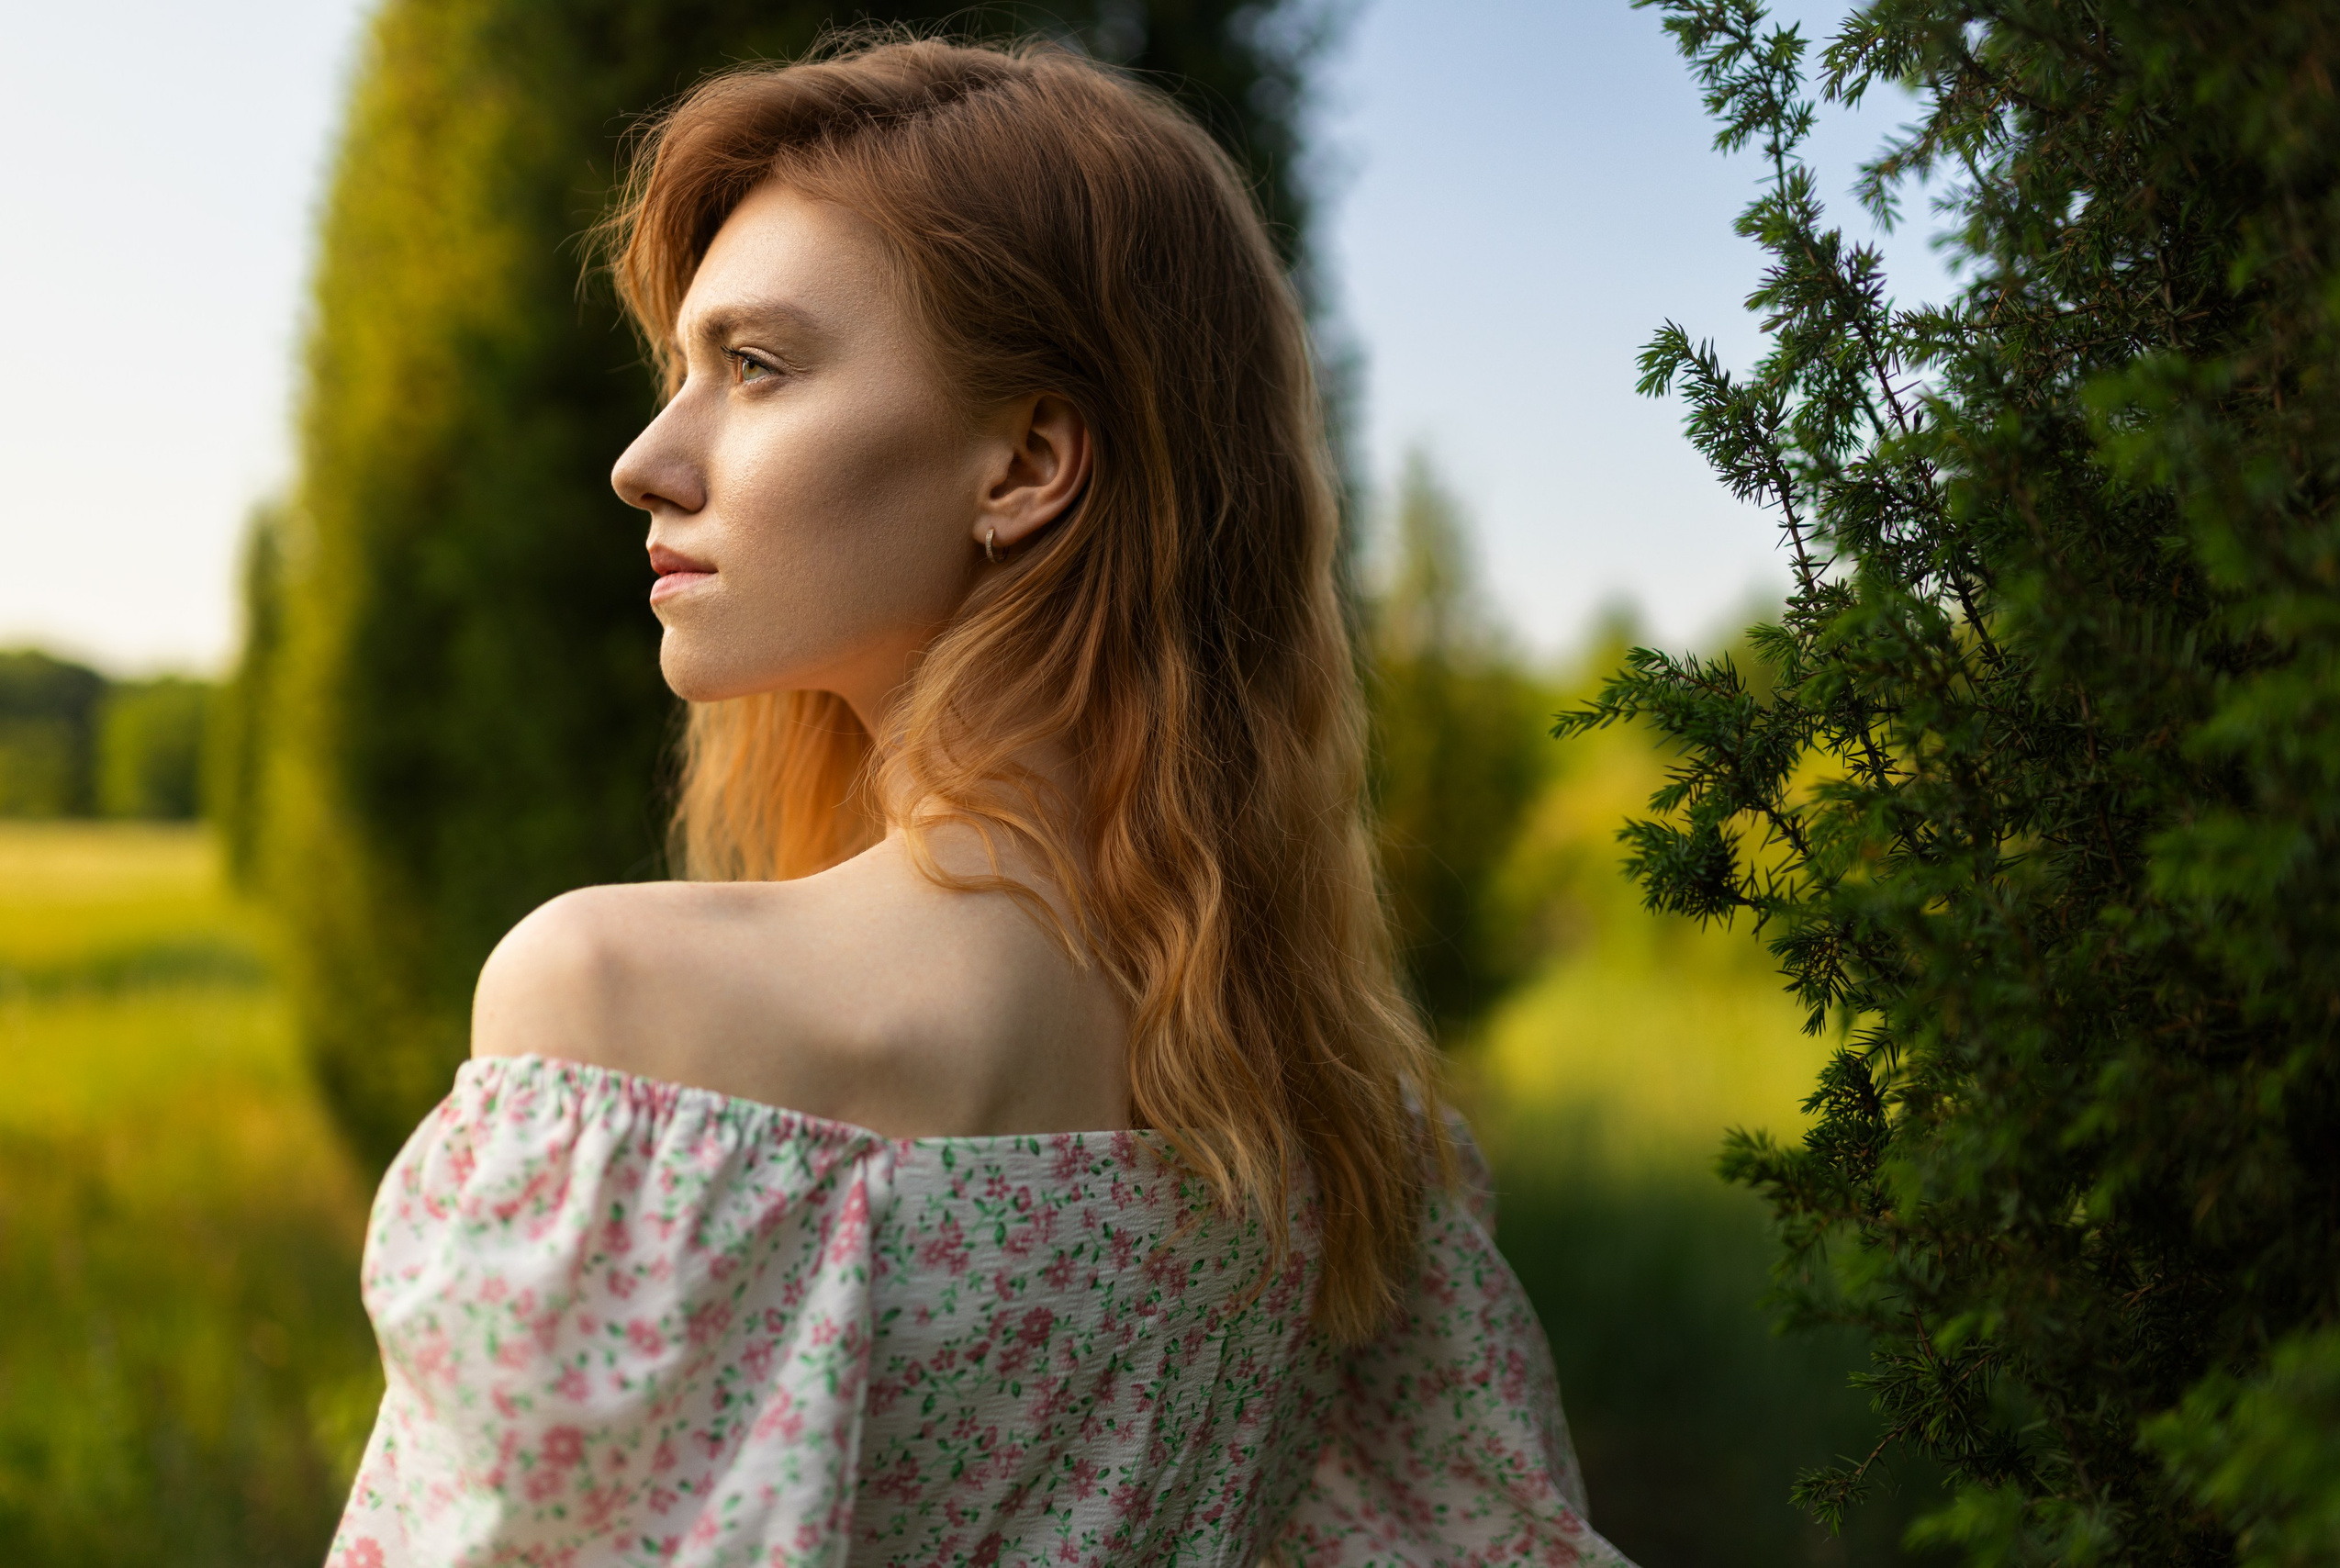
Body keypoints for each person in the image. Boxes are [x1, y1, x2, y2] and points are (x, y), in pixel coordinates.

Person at [328, 33, 1628, 1568]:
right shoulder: (1354, 1144)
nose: (645, 461)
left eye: (755, 367)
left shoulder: (616, 1018)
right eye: (680, 375)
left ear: (1025, 464)